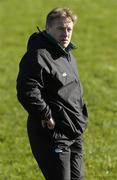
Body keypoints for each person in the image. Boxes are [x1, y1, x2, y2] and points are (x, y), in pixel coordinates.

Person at [16, 7, 88, 180]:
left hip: (74, 132)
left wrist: (82, 116)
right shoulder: (38, 55)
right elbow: (27, 90)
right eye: (60, 29)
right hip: (53, 134)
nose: (66, 34)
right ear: (48, 29)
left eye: (69, 29)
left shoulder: (67, 54)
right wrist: (46, 115)